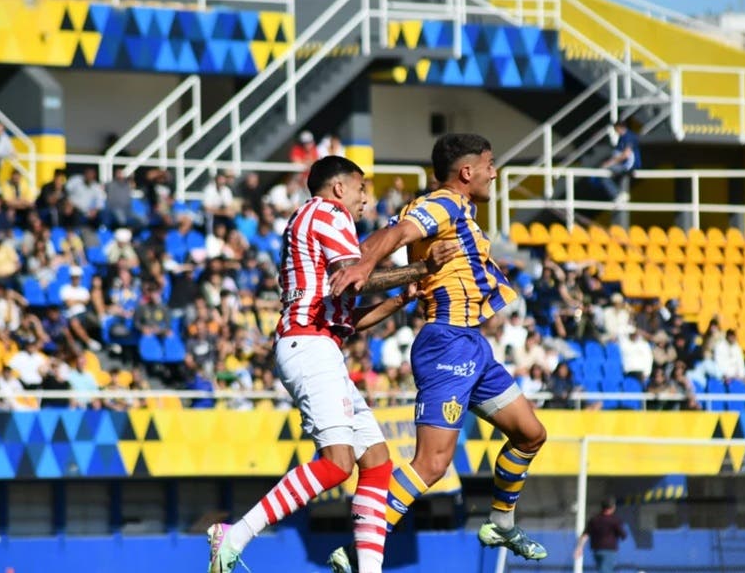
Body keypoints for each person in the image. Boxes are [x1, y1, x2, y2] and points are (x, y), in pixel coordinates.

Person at [208, 156, 456, 573]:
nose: (365, 199)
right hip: (310, 346)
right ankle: (233, 536)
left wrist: (401, 298)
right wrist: (421, 268)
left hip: (318, 344)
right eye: (362, 188)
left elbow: (347, 318)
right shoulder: (329, 213)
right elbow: (356, 278)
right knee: (337, 464)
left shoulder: (307, 220)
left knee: (376, 461)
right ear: (340, 187)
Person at [329, 133, 549, 562]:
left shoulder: (459, 210)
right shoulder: (442, 203)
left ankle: (501, 524)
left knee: (530, 434)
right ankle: (358, 549)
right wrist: (362, 263)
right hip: (446, 344)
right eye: (489, 164)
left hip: (472, 345)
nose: (494, 173)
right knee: (432, 463)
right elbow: (395, 233)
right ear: (467, 171)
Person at [574, 497, 627, 573]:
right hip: (609, 550)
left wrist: (579, 548)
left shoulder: (594, 519)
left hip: (596, 550)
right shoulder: (614, 520)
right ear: (612, 507)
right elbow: (623, 535)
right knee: (606, 570)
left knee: (603, 569)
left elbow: (585, 535)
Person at [599, 120, 640, 204]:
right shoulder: (622, 137)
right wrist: (610, 162)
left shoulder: (629, 136)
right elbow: (618, 154)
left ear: (619, 127)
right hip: (624, 165)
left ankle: (617, 194)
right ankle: (619, 195)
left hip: (628, 166)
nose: (615, 131)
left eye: (615, 129)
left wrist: (610, 163)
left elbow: (625, 154)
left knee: (602, 172)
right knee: (606, 172)